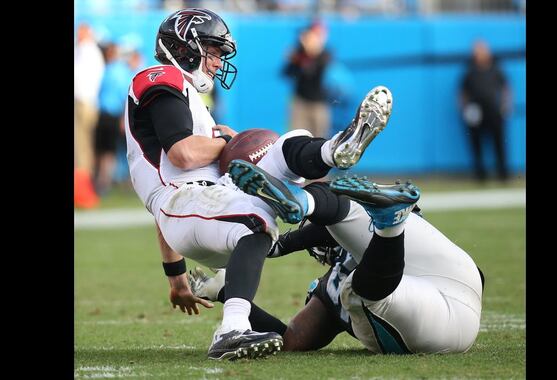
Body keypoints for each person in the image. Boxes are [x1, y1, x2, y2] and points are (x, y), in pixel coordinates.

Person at [124, 7, 392, 361]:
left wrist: (176, 279)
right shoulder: (159, 78)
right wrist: (228, 143)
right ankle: (231, 330)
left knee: (281, 146)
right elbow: (184, 156)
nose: (218, 62)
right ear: (186, 46)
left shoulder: (194, 102)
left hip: (202, 203)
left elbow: (170, 192)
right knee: (256, 219)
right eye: (213, 50)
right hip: (185, 203)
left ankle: (334, 150)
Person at [190, 174, 484, 355]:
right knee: (353, 259)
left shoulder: (332, 284)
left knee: (352, 290)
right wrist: (226, 290)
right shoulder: (332, 282)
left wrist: (283, 244)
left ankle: (313, 205)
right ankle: (317, 205)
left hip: (436, 319)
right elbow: (290, 339)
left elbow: (291, 340)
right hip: (456, 275)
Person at [459, 39, 512, 182]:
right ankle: (480, 174)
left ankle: (503, 174)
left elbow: (506, 88)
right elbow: (463, 92)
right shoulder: (470, 71)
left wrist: (506, 105)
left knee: (499, 142)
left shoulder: (496, 68)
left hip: (494, 110)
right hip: (476, 111)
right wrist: (464, 110)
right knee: (476, 143)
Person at [283, 20, 332, 139]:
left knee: (320, 140)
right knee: (295, 138)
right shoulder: (299, 52)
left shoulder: (325, 54)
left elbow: (313, 72)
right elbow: (287, 73)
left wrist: (308, 54)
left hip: (319, 104)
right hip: (300, 101)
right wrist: (295, 59)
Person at [94, 42, 131, 196]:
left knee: (110, 151)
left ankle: (107, 182)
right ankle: (103, 181)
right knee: (102, 149)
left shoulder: (119, 71)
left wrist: (124, 117)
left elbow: (125, 96)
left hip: (114, 115)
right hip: (104, 114)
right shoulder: (108, 68)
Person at [74, 22, 105, 208]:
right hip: (88, 102)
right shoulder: (91, 51)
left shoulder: (86, 50)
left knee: (81, 148)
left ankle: (83, 194)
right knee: (84, 148)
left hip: (83, 102)